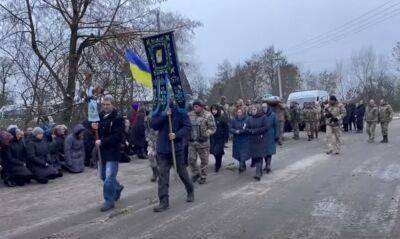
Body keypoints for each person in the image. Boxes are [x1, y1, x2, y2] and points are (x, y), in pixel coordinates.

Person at [151, 101, 194, 212]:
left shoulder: (180, 111)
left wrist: (176, 135)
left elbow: (187, 127)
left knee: (182, 173)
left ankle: (190, 190)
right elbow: (154, 125)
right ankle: (163, 202)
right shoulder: (159, 110)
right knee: (163, 176)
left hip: (177, 149)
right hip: (162, 149)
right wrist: (165, 115)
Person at [91, 95, 125, 212]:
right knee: (103, 176)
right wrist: (93, 127)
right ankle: (118, 187)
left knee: (109, 178)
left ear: (112, 104)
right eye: (104, 104)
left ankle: (109, 201)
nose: (105, 106)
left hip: (113, 151)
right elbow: (95, 132)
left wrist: (103, 141)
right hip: (102, 152)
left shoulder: (118, 118)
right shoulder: (99, 117)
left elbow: (118, 136)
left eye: (108, 104)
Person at [188, 100, 216, 184]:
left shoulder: (208, 115)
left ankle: (203, 176)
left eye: (196, 106)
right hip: (192, 142)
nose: (194, 108)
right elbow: (186, 125)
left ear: (201, 107)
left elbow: (213, 128)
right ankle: (196, 173)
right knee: (191, 159)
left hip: (203, 143)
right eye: (194, 106)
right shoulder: (190, 115)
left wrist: (205, 135)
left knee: (204, 161)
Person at [246, 104, 268, 181]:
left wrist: (255, 131)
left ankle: (258, 173)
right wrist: (251, 131)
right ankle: (260, 171)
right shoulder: (249, 119)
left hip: (260, 139)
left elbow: (265, 128)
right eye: (252, 110)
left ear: (258, 110)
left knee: (259, 156)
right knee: (255, 156)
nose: (253, 111)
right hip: (252, 140)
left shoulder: (263, 117)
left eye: (254, 109)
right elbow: (247, 128)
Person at [210, 104, 229, 173]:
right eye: (212, 110)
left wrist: (226, 137)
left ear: (218, 110)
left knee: (217, 151)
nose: (214, 111)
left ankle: (218, 165)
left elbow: (226, 128)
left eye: (215, 110)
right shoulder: (210, 118)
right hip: (212, 138)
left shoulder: (222, 118)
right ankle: (217, 160)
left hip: (220, 138)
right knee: (214, 152)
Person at [229, 108, 249, 173]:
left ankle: (241, 166)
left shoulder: (246, 120)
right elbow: (230, 128)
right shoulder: (234, 120)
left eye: (240, 112)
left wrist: (240, 131)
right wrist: (235, 131)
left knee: (243, 153)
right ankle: (243, 164)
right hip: (236, 139)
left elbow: (246, 128)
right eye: (238, 112)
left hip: (244, 139)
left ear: (243, 113)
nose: (239, 113)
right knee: (238, 153)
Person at [262, 103, 279, 173]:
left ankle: (268, 165)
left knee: (269, 151)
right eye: (263, 107)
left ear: (268, 107)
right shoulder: (261, 115)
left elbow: (276, 126)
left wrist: (276, 135)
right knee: (264, 151)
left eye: (265, 107)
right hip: (263, 135)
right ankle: (267, 164)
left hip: (270, 135)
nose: (264, 109)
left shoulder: (273, 115)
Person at [145, 115, 158, 182]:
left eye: (149, 121)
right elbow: (146, 136)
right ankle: (154, 173)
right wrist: (149, 141)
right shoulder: (147, 129)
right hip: (151, 145)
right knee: (151, 156)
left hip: (159, 144)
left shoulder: (157, 127)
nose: (148, 123)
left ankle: (161, 173)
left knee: (160, 160)